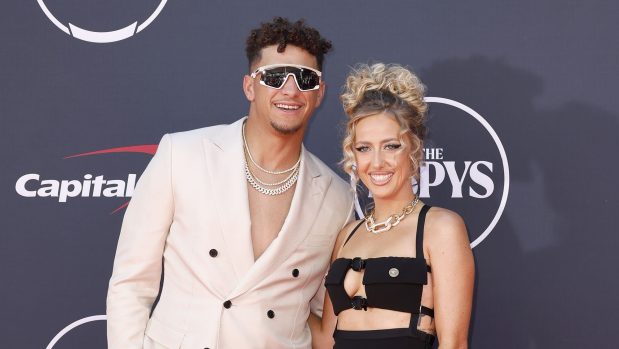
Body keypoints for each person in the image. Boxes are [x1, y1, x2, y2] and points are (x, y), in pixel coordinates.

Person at [106, 17, 353, 349]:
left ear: (319, 93)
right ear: (249, 86)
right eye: (275, 76)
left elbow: (328, 313)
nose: (291, 90)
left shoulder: (338, 198)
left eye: (306, 79)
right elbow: (131, 283)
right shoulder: (181, 155)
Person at [309, 63, 475, 348]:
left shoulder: (440, 228)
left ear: (414, 148)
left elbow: (454, 344)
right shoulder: (347, 235)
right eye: (364, 148)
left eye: (391, 146)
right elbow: (326, 340)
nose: (376, 163)